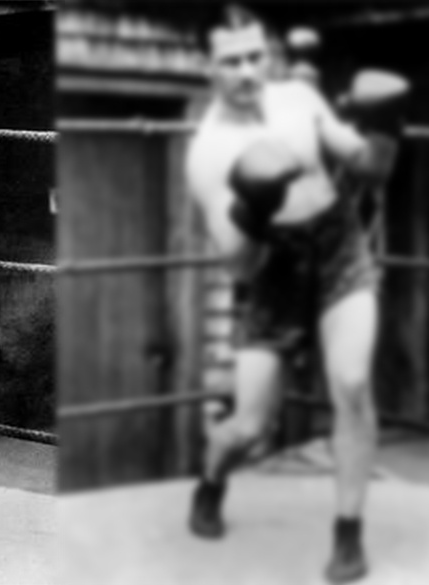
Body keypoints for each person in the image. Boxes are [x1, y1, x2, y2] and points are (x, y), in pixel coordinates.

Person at [183, 5, 406, 584]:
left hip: (338, 248)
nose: (248, 70)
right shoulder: (208, 153)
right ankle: (211, 482)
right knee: (250, 429)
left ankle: (348, 534)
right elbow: (240, 259)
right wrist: (254, 205)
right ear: (209, 66)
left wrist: (385, 125)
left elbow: (368, 166)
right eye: (232, 61)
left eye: (256, 55)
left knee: (353, 384)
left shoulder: (300, 102)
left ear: (269, 54)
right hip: (273, 271)